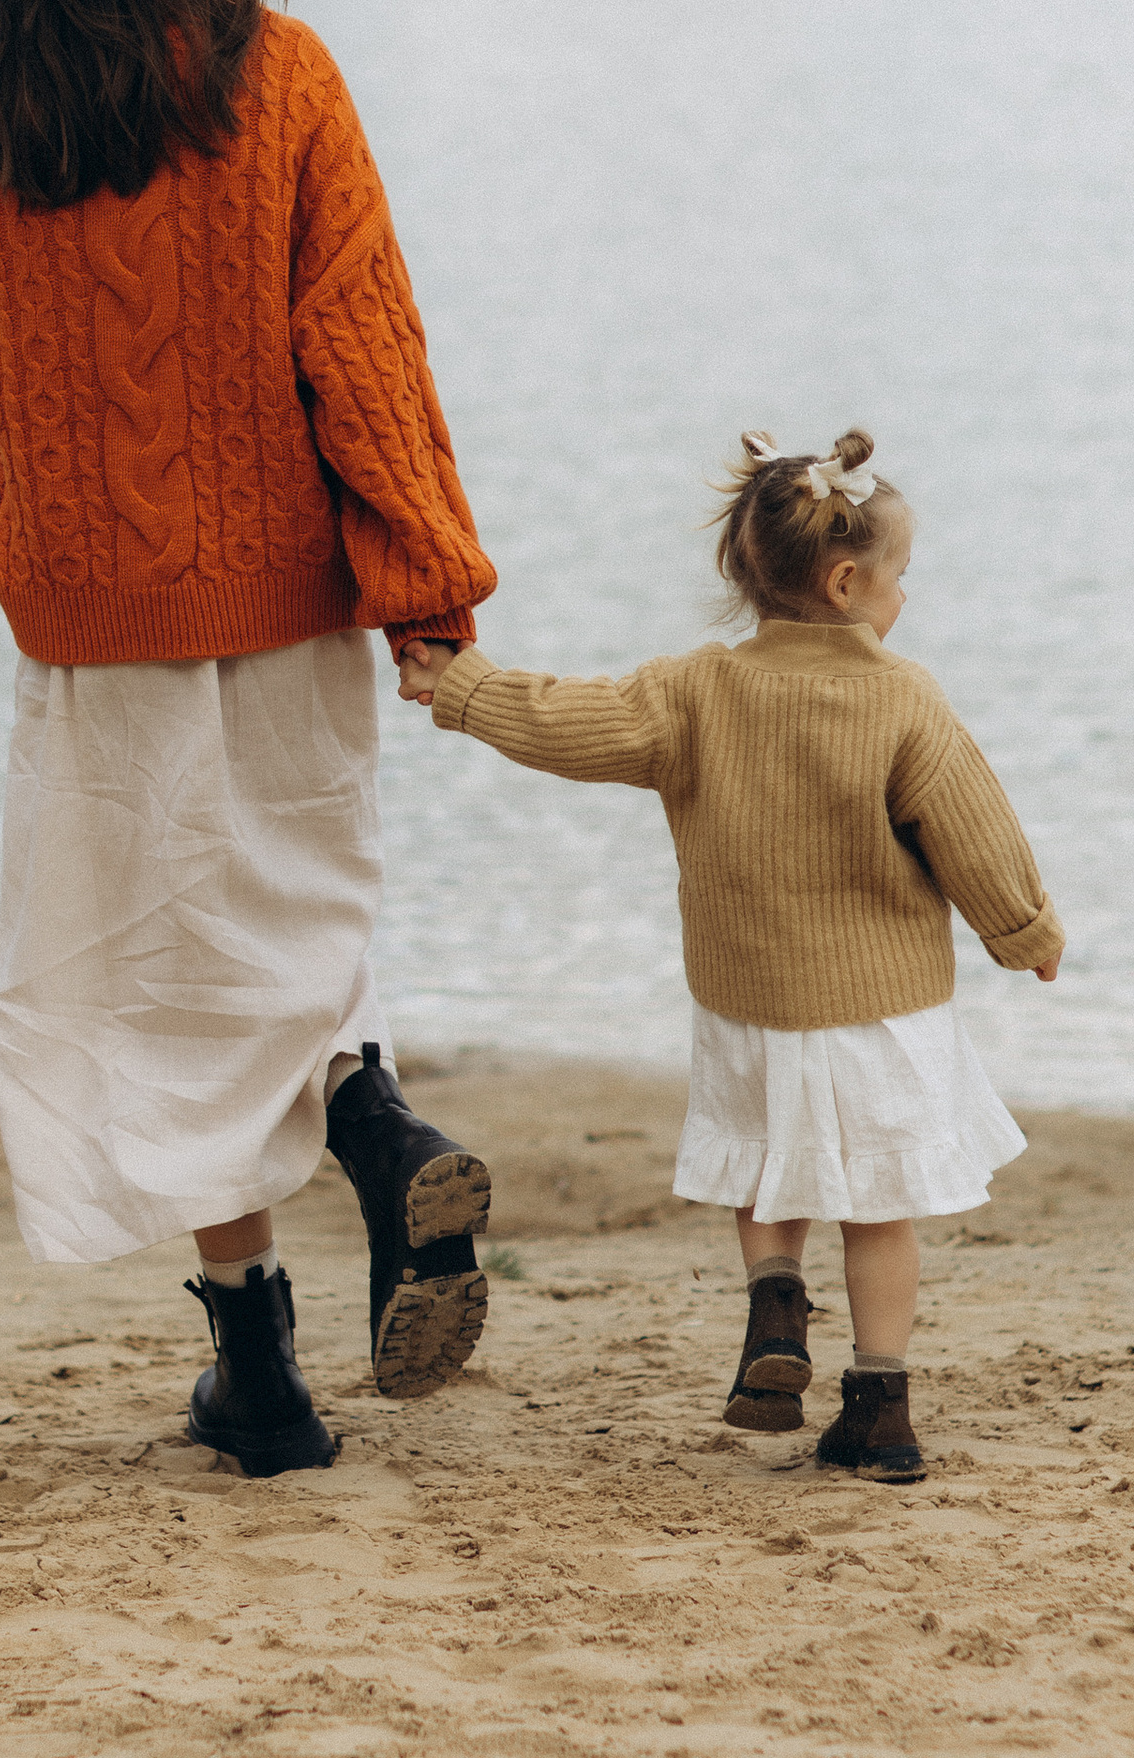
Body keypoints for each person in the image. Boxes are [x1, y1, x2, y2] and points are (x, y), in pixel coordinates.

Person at [0, 0, 498, 1480]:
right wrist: (424, 577)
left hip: (88, 601)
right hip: (285, 580)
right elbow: (358, 341)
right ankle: (368, 1120)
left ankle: (258, 1375)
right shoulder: (283, 76)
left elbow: (20, 303)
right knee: (291, 913)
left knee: (154, 979)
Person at [396, 428, 1060, 1480]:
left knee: (764, 1169)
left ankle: (775, 1306)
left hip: (747, 1003)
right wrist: (1024, 931)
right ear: (846, 582)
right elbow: (971, 829)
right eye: (899, 579)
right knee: (881, 1211)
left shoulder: (691, 692)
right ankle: (880, 1410)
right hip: (882, 1008)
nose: (904, 599)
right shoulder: (903, 697)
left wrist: (464, 686)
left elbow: (571, 722)